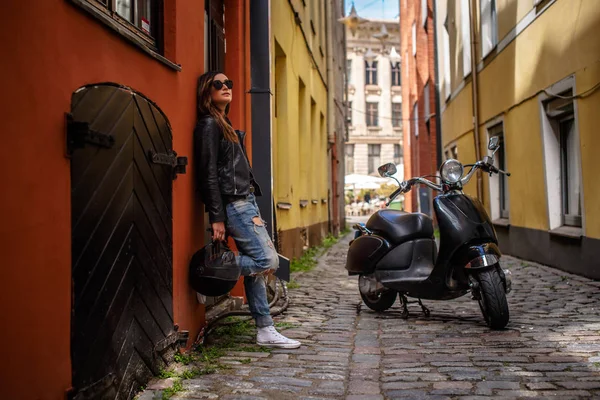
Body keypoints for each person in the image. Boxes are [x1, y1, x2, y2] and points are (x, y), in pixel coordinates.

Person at [194, 71, 301, 349]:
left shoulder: (224, 123)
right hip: (235, 204)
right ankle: (206, 271)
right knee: (268, 262)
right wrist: (216, 216)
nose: (226, 86)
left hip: (245, 200)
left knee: (256, 265)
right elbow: (207, 174)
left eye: (229, 83)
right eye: (218, 84)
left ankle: (265, 329)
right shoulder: (209, 124)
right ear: (207, 90)